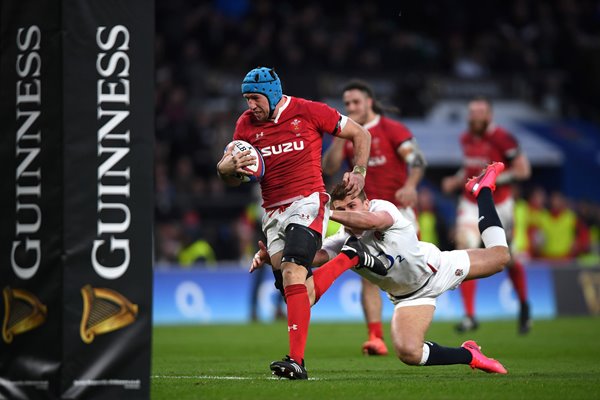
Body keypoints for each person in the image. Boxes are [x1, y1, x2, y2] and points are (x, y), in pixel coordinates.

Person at [253, 162, 510, 377]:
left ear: (366, 203)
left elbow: (371, 222)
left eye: (352, 206)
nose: (347, 213)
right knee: (409, 353)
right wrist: (275, 257)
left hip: (438, 268)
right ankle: (470, 354)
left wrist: (328, 211)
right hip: (408, 297)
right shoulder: (343, 238)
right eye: (341, 208)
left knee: (500, 258)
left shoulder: (382, 208)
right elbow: (315, 257)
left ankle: (482, 189)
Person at [216, 67, 386, 380]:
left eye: (254, 97)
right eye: (246, 98)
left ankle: (296, 362)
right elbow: (237, 176)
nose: (250, 104)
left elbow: (361, 134)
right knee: (298, 291)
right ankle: (350, 257)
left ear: (271, 92)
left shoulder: (308, 111)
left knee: (293, 269)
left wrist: (359, 173)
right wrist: (224, 170)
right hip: (272, 213)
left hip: (307, 201)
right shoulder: (244, 125)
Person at [322, 79, 426, 356]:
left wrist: (410, 185)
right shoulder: (349, 136)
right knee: (366, 274)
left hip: (395, 213)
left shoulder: (392, 129)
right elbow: (328, 167)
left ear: (369, 102)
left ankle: (413, 327)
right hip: (361, 214)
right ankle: (376, 338)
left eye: (356, 102)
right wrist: (337, 137)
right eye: (346, 104)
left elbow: (416, 160)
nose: (351, 107)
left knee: (407, 273)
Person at [442, 97, 532, 334]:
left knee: (507, 257)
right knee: (464, 246)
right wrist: (457, 178)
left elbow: (523, 170)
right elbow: (469, 168)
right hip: (470, 202)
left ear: (489, 115)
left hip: (499, 203)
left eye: (479, 112)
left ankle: (523, 305)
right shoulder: (466, 138)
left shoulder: (503, 138)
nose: (474, 116)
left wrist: (491, 181)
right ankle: (469, 315)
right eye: (471, 112)